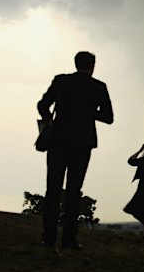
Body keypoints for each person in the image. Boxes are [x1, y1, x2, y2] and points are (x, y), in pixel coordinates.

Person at [37, 51, 114, 250]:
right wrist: (88, 112)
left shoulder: (61, 81)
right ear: (93, 66)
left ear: (75, 63)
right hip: (82, 142)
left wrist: (49, 121)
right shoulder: (98, 87)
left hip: (58, 140)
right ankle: (69, 239)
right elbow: (108, 117)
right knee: (73, 191)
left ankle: (48, 237)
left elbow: (43, 105)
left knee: (53, 189)